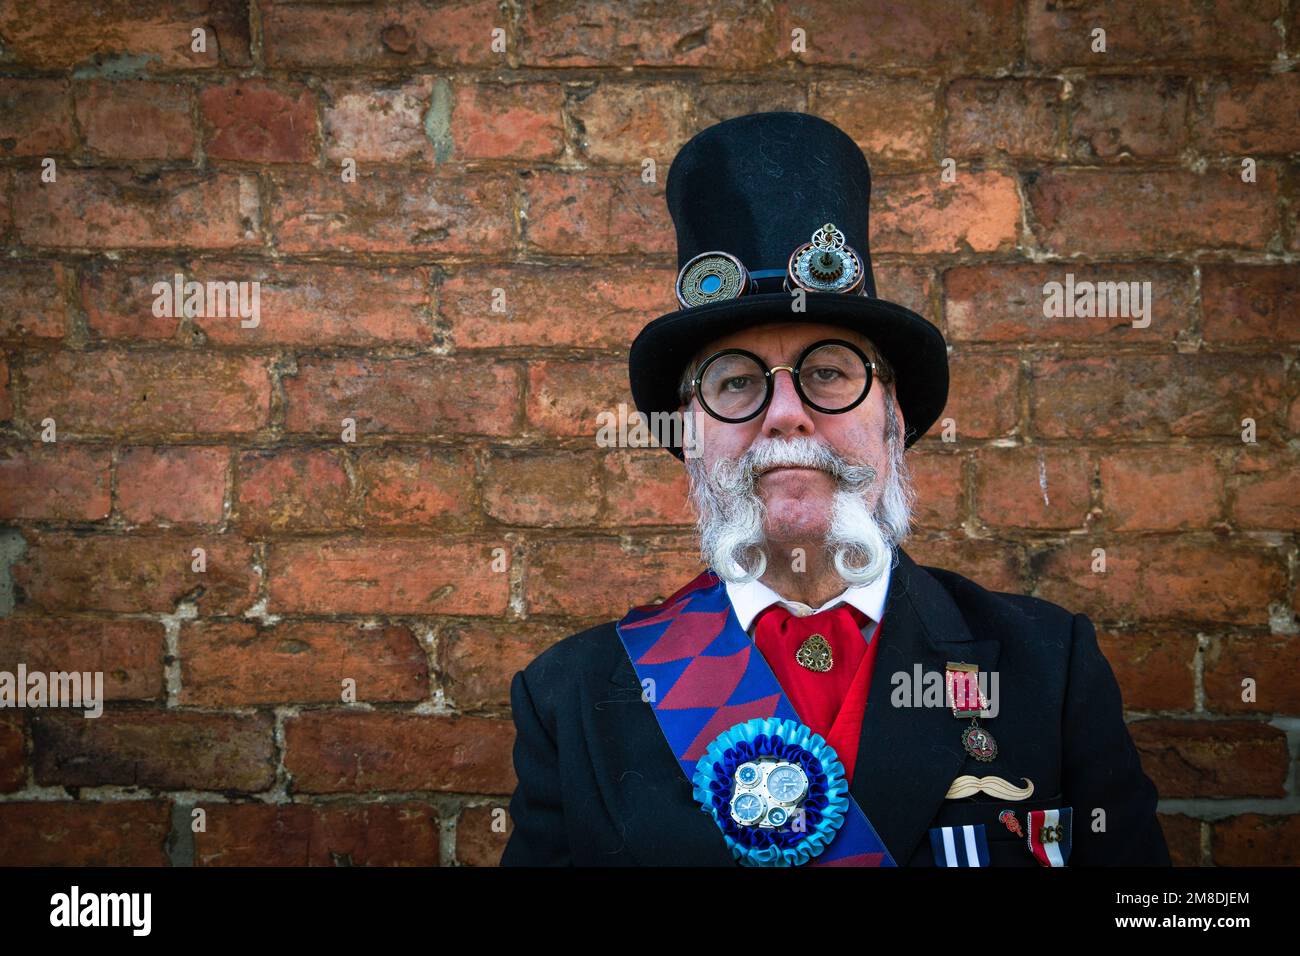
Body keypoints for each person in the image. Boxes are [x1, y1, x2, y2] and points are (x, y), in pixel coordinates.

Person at [501, 112, 1170, 867]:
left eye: (827, 373)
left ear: (893, 415)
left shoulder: (1049, 667)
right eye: (735, 383)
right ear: (690, 431)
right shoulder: (573, 698)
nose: (785, 414)